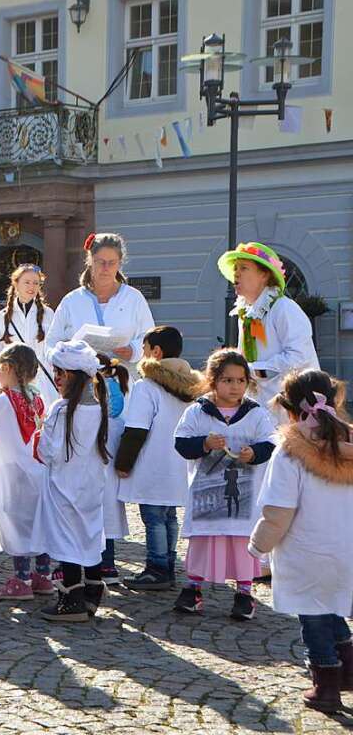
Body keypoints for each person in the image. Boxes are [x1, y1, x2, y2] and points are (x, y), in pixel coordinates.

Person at [250, 369, 353, 712]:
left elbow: (279, 510)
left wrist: (259, 546)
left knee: (313, 616)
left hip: (307, 550)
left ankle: (326, 687)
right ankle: (349, 669)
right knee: (333, 607)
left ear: (290, 409)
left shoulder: (291, 450)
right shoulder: (348, 445)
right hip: (346, 548)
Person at [173, 349, 275, 620]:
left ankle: (244, 593)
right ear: (214, 380)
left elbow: (270, 443)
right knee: (205, 541)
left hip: (243, 493)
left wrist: (254, 453)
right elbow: (181, 442)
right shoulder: (198, 411)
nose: (235, 386)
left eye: (240, 380)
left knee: (241, 541)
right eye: (228, 380)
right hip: (207, 492)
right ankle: (193, 588)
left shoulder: (255, 413)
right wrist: (204, 443)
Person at [115, 327, 201, 590]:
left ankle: (157, 568)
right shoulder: (192, 386)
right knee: (169, 517)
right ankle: (169, 563)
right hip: (179, 463)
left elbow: (137, 428)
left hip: (154, 462)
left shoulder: (147, 386)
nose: (142, 354)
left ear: (156, 352)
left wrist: (123, 462)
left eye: (144, 348)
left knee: (153, 518)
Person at [32, 340, 111, 623]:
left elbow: (48, 452)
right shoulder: (99, 407)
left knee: (67, 542)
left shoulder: (61, 410)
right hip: (90, 485)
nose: (56, 379)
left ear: (68, 376)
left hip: (64, 485)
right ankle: (92, 592)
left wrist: (40, 435)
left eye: (58, 373)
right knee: (88, 536)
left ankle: (72, 599)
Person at [0, 343, 53, 601]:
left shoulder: (1, 400)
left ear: (7, 368)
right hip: (36, 470)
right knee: (37, 524)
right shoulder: (37, 398)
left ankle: (22, 579)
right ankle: (43, 575)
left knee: (15, 524)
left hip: (11, 472)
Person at [217, 242, 319, 416]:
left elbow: (298, 358)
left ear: (264, 275)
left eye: (244, 268)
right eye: (235, 268)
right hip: (260, 408)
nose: (236, 273)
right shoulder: (247, 314)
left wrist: (254, 370)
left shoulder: (284, 309)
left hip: (290, 410)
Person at [47, 233, 155, 375]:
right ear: (90, 261)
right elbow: (51, 344)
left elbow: (149, 338)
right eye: (100, 262)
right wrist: (68, 356)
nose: (106, 268)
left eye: (112, 263)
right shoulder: (72, 301)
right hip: (82, 384)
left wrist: (133, 350)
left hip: (123, 382)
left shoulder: (133, 298)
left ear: (119, 263)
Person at [0, 263, 58, 409]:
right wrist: (8, 371)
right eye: (26, 282)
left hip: (43, 382)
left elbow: (53, 346)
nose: (31, 287)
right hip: (12, 382)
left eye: (36, 283)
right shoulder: (1, 317)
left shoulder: (48, 314)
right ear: (16, 283)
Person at [98, 355, 130, 583]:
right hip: (111, 479)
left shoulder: (93, 416)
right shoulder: (119, 416)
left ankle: (101, 565)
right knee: (108, 518)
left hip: (95, 477)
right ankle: (108, 565)